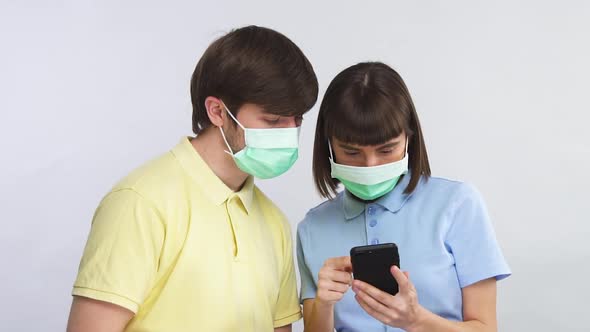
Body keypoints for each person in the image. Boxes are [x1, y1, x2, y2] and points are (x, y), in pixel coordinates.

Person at [66, 25, 318, 332]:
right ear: (217, 111)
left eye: (297, 120)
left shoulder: (274, 222)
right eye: (274, 120)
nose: (289, 134)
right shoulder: (140, 202)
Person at [297, 62, 510, 331]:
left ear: (409, 138)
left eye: (386, 150)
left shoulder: (458, 205)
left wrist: (416, 320)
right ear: (328, 146)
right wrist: (324, 305)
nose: (370, 165)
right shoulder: (312, 228)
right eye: (352, 153)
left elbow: (485, 328)